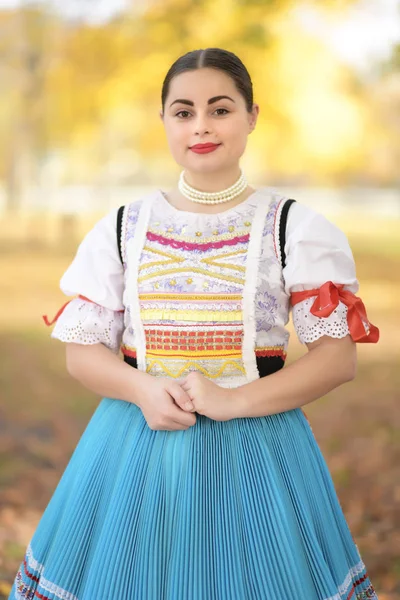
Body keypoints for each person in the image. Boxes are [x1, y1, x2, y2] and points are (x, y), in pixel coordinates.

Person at [9, 48, 380, 600]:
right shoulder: (122, 227)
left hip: (256, 444)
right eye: (183, 112)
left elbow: (336, 358)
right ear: (164, 121)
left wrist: (232, 402)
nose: (201, 126)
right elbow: (82, 352)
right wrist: (143, 390)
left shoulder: (293, 227)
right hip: (135, 439)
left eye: (220, 109)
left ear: (252, 116)